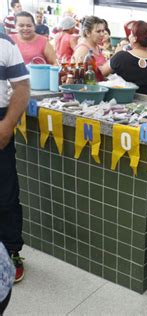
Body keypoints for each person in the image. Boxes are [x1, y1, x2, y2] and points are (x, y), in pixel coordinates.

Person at [0, 31, 30, 284]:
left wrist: (7, 125)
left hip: (0, 124)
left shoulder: (4, 41)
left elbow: (21, 86)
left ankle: (10, 251)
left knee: (6, 194)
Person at [101, 21, 147, 96]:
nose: (129, 36)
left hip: (122, 100)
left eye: (131, 34)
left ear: (135, 38)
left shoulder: (121, 57)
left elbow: (101, 72)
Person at [72, 16, 107, 81]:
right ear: (88, 33)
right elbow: (76, 75)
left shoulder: (97, 47)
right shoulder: (83, 49)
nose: (102, 34)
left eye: (103, 31)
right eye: (98, 31)